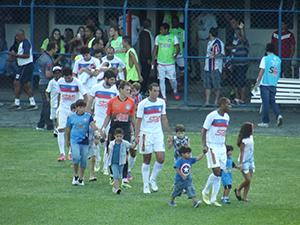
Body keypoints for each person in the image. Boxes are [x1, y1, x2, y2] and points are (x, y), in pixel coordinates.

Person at [134, 83, 173, 193]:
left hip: (158, 133)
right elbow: (139, 121)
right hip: (146, 134)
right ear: (149, 91)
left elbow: (164, 119)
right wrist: (136, 136)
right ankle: (146, 185)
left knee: (161, 158)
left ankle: (153, 179)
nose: (156, 93)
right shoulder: (143, 104)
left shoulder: (161, 103)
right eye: (154, 91)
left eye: (158, 91)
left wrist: (169, 134)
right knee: (147, 159)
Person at [99, 80, 136, 188]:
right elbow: (108, 116)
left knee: (125, 153)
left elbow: (132, 117)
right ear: (120, 90)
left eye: (130, 90)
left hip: (126, 130)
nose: (129, 92)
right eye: (127, 90)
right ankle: (112, 175)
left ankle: (124, 178)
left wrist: (136, 131)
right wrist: (103, 128)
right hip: (114, 129)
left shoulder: (131, 102)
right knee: (111, 152)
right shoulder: (112, 101)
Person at [86, 69, 119, 174]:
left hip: (109, 119)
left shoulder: (115, 90)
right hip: (98, 118)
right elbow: (90, 102)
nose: (113, 82)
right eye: (111, 80)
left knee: (107, 143)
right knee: (97, 139)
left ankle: (105, 166)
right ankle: (98, 159)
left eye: (114, 80)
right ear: (105, 79)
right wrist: (88, 116)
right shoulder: (96, 88)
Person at [201, 97, 231, 206]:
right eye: (228, 104)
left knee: (220, 173)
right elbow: (204, 130)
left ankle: (213, 199)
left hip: (221, 147)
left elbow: (223, 132)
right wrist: (205, 145)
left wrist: (225, 146)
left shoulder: (227, 117)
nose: (230, 106)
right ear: (222, 105)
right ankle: (205, 191)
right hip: (212, 146)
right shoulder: (211, 116)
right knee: (216, 171)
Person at [56, 68, 88, 161]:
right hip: (63, 108)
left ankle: (71, 152)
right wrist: (58, 107)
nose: (67, 80)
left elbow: (85, 94)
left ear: (72, 76)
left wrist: (85, 108)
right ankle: (62, 153)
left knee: (73, 130)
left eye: (69, 78)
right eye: (66, 78)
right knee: (60, 129)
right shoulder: (60, 82)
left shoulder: (77, 82)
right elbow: (59, 94)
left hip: (73, 110)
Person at [66, 99, 100, 186]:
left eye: (83, 107)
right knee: (76, 157)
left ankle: (81, 178)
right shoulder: (72, 117)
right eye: (80, 107)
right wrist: (67, 140)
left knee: (84, 160)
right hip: (74, 140)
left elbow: (93, 125)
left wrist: (100, 130)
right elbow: (68, 129)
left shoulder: (88, 116)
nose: (82, 109)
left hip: (85, 141)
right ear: (76, 108)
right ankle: (75, 175)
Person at [254, 43, 283, 128]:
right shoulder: (278, 60)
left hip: (265, 83)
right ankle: (278, 115)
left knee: (265, 103)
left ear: (266, 50)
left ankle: (265, 121)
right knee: (272, 101)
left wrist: (257, 82)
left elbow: (262, 71)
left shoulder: (265, 59)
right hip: (273, 83)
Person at [8, 29, 38, 111]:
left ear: (22, 35)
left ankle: (17, 103)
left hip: (26, 66)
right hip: (24, 65)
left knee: (16, 82)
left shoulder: (26, 43)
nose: (16, 38)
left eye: (18, 36)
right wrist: (13, 57)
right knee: (27, 84)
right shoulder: (21, 44)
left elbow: (27, 55)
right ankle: (33, 103)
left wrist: (16, 55)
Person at [151, 23, 180, 102]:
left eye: (162, 29)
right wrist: (153, 59)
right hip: (160, 63)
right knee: (161, 80)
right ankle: (164, 97)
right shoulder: (158, 37)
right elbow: (155, 48)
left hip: (170, 63)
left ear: (166, 30)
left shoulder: (173, 37)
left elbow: (178, 48)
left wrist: (176, 54)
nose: (160, 31)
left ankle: (175, 90)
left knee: (172, 80)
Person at [36, 42, 58, 131]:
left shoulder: (43, 56)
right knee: (47, 105)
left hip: (42, 82)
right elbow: (48, 74)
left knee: (45, 104)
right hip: (46, 83)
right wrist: (57, 74)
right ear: (52, 49)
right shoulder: (48, 60)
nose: (57, 50)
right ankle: (49, 125)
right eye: (56, 48)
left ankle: (40, 125)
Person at [108, 128, 137, 194]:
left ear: (123, 136)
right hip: (113, 162)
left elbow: (131, 147)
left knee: (118, 175)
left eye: (120, 137)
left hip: (121, 162)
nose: (119, 138)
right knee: (116, 175)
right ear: (115, 136)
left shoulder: (124, 143)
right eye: (117, 137)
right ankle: (117, 188)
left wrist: (135, 144)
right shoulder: (112, 143)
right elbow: (109, 150)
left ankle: (114, 187)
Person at [203, 27, 225, 107]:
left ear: (210, 34)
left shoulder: (219, 43)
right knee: (207, 85)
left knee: (216, 85)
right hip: (207, 67)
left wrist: (214, 55)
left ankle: (216, 101)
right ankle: (207, 101)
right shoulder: (209, 43)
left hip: (215, 67)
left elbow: (222, 54)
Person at [235, 122, 255, 202]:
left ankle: (245, 197)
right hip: (244, 161)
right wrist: (240, 164)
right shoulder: (244, 141)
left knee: (249, 180)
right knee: (248, 179)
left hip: (251, 161)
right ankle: (238, 189)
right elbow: (242, 152)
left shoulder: (251, 138)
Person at [230, 23, 249, 105]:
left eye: (238, 34)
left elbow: (244, 38)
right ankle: (237, 98)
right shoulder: (236, 42)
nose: (237, 35)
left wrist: (241, 29)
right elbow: (232, 49)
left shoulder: (244, 41)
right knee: (234, 82)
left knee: (241, 83)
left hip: (242, 64)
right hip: (235, 64)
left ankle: (242, 100)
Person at [139, 19, 154, 96]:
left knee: (145, 73)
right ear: (150, 26)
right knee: (145, 73)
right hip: (145, 58)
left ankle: (143, 88)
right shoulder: (145, 34)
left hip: (144, 57)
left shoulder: (144, 33)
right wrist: (148, 58)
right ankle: (143, 89)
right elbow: (146, 47)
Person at [45, 66, 62, 137]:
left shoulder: (63, 81)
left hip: (61, 102)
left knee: (60, 116)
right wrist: (47, 98)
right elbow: (47, 91)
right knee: (54, 117)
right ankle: (56, 128)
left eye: (59, 73)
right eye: (56, 73)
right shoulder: (52, 82)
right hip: (53, 101)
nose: (57, 75)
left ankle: (57, 129)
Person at [169, 16, 185, 86]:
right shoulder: (168, 30)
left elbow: (183, 43)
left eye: (176, 21)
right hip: (171, 53)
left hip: (179, 53)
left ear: (178, 22)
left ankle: (178, 76)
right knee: (172, 70)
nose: (174, 23)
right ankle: (174, 86)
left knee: (182, 69)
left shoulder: (182, 31)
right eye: (173, 21)